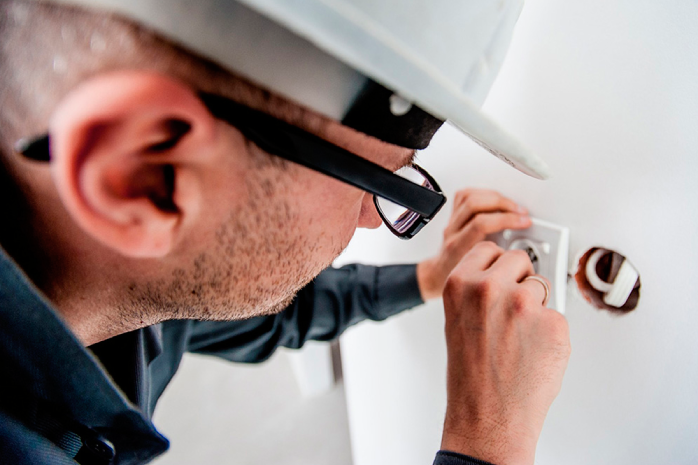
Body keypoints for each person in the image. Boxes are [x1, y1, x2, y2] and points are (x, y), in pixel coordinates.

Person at [0, 1, 571, 464]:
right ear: (143, 175)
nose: (373, 217)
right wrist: (484, 450)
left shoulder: (129, 287)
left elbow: (278, 313)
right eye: (381, 182)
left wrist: (427, 277)